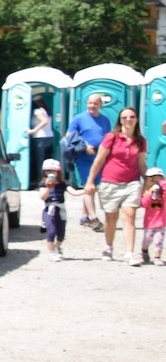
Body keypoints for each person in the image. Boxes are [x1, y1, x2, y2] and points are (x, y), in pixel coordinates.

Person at [84, 106, 146, 264]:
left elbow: (141, 165)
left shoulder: (140, 141)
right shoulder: (111, 137)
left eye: (132, 117)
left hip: (131, 183)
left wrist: (150, 182)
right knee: (111, 218)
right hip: (110, 182)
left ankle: (129, 253)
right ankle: (108, 246)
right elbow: (99, 160)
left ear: (136, 119)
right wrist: (90, 181)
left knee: (130, 216)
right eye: (125, 117)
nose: (128, 120)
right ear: (120, 120)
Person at [63, 93, 112, 227]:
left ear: (101, 105)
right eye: (90, 103)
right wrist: (84, 145)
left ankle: (85, 217)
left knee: (93, 187)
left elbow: (108, 137)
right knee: (88, 186)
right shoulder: (78, 119)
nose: (92, 106)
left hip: (99, 157)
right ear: (86, 104)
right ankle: (94, 218)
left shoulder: (105, 120)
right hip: (83, 157)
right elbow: (69, 136)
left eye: (95, 103)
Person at [38, 158, 67, 262]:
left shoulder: (62, 184)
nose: (50, 173)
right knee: (51, 230)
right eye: (48, 171)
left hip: (61, 210)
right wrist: (49, 188)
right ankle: (51, 253)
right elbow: (42, 197)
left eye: (53, 171)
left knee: (61, 233)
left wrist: (84, 191)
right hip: (49, 209)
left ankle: (58, 247)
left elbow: (72, 191)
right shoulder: (43, 184)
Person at [28, 98, 55, 184]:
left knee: (40, 161)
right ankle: (49, 179)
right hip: (49, 136)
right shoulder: (46, 110)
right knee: (46, 160)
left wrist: (33, 130)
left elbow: (45, 121)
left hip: (40, 137)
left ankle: (41, 181)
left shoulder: (37, 111)